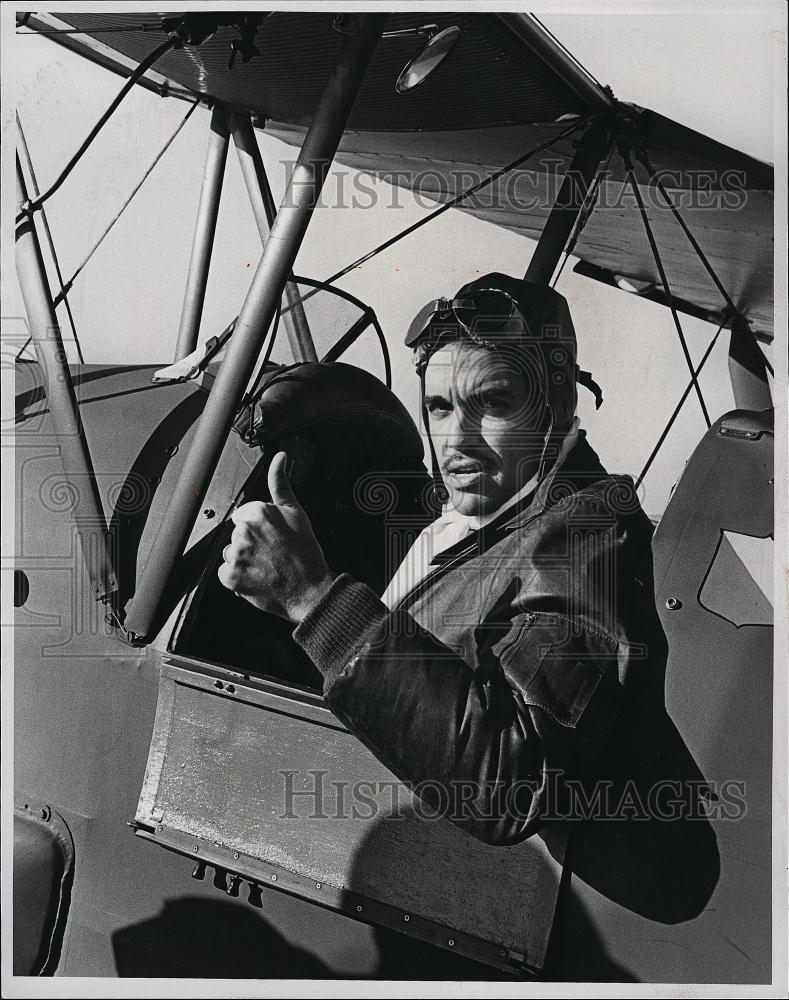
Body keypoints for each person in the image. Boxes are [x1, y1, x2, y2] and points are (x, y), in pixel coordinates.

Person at [218, 272, 666, 845]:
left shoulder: (588, 531)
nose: (457, 439)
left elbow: (517, 781)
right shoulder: (488, 512)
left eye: (492, 402)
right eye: (439, 407)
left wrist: (313, 599)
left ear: (557, 401)